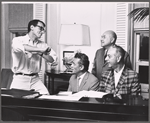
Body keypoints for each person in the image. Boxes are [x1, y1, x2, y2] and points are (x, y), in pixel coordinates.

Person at [10, 19, 57, 95]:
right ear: (32, 27)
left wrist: (41, 53)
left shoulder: (43, 44)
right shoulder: (17, 40)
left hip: (35, 79)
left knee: (46, 98)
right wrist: (40, 50)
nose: (42, 32)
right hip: (20, 79)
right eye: (40, 28)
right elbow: (23, 47)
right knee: (14, 103)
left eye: (43, 30)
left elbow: (53, 60)